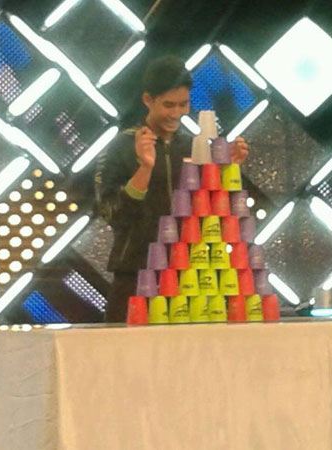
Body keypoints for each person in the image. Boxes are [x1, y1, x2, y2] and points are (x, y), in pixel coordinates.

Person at [95, 55, 249, 322]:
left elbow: (212, 217)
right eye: (168, 105)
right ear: (148, 100)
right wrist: (145, 168)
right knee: (124, 348)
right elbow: (111, 213)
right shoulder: (122, 146)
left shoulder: (195, 147)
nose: (176, 113)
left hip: (189, 277)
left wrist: (226, 171)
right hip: (135, 274)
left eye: (183, 104)